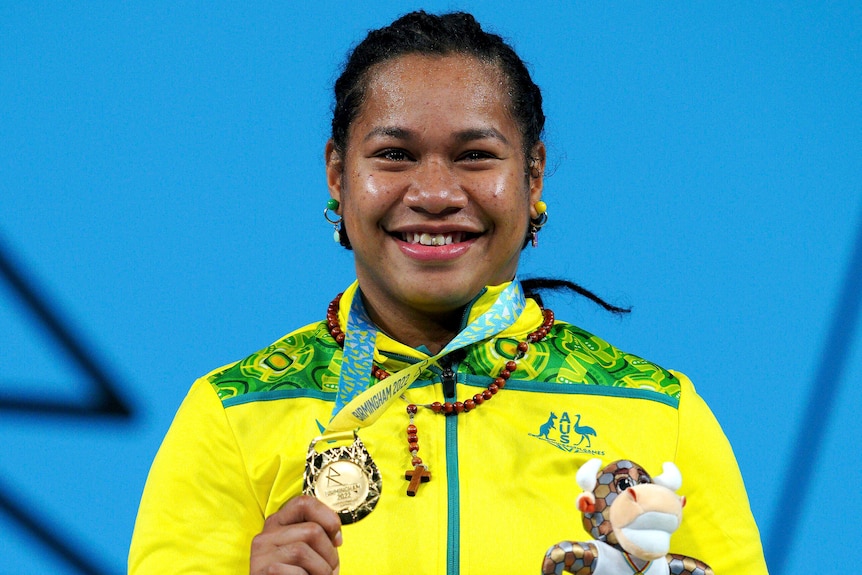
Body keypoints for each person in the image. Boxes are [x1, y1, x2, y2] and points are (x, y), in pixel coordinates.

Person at [129, 11, 769, 575]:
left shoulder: (659, 413)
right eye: (394, 154)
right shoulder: (233, 415)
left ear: (533, 174)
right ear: (336, 175)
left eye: (475, 156)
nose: (434, 194)